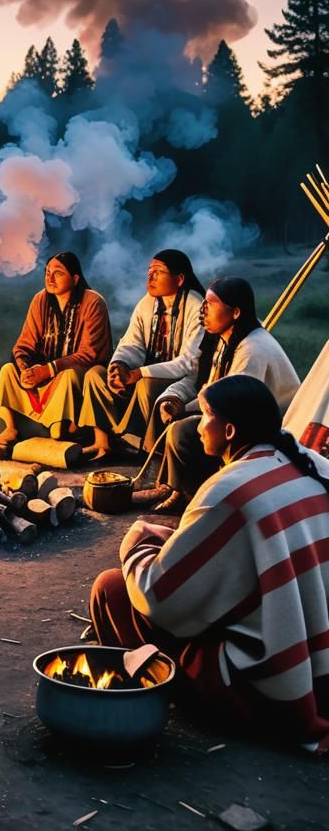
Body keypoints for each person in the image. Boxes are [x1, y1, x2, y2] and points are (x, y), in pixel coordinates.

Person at [90, 375, 329, 752]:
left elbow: (159, 598)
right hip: (319, 666)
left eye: (204, 416)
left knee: (113, 588)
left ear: (229, 430)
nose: (198, 426)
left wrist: (137, 539)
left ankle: (141, 697)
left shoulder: (230, 490)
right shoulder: (311, 462)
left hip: (269, 689)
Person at [146, 276, 299, 514]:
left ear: (235, 312)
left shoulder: (253, 349)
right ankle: (175, 488)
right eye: (204, 304)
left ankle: (196, 497)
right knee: (182, 422)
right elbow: (215, 387)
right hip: (242, 417)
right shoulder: (229, 338)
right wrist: (183, 406)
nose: (203, 311)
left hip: (271, 428)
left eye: (210, 304)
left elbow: (234, 405)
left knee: (185, 431)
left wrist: (188, 413)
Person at [80, 249, 205, 461]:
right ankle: (105, 443)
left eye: (158, 272)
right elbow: (132, 342)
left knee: (145, 385)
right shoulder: (147, 303)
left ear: (180, 279)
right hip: (141, 373)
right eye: (149, 271)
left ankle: (148, 448)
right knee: (95, 375)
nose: (150, 277)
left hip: (180, 379)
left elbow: (186, 363)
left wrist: (139, 373)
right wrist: (119, 365)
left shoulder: (196, 305)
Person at [0, 251, 113, 445]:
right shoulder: (40, 300)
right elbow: (24, 344)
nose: (49, 278)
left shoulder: (93, 302)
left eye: (57, 273)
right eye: (47, 272)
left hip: (79, 374)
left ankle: (64, 428)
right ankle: (10, 428)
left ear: (75, 278)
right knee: (8, 370)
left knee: (68, 376)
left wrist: (49, 369)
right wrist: (25, 369)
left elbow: (89, 353)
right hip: (44, 372)